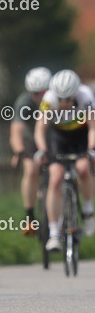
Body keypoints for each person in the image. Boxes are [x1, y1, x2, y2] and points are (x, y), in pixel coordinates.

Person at [33, 69, 95, 251]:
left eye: (68, 99)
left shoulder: (86, 96)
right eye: (61, 99)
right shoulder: (49, 99)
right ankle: (54, 233)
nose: (64, 103)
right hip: (58, 138)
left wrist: (91, 150)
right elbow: (40, 128)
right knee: (55, 178)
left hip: (81, 136)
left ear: (75, 93)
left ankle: (88, 211)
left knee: (83, 168)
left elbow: (93, 127)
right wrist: (42, 150)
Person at [9, 67, 51, 235]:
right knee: (30, 170)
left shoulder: (57, 100)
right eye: (35, 93)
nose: (39, 97)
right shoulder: (24, 102)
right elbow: (16, 131)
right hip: (31, 138)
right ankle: (30, 218)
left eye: (43, 92)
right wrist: (19, 152)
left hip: (53, 136)